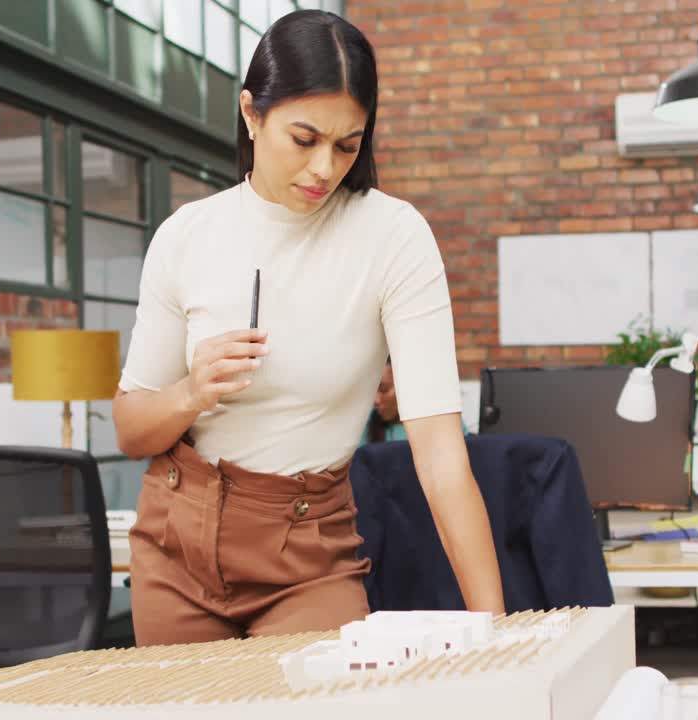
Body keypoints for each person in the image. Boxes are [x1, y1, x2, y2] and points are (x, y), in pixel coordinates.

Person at [111, 10, 504, 646]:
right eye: (304, 138)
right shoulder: (186, 236)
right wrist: (193, 391)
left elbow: (440, 458)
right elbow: (131, 427)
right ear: (251, 113)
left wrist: (496, 634)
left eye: (347, 145)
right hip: (174, 547)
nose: (324, 168)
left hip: (307, 559)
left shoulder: (394, 238)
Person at [363, 358, 468, 444]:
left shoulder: (443, 419)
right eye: (372, 392)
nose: (375, 400)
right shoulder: (368, 425)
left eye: (383, 389)